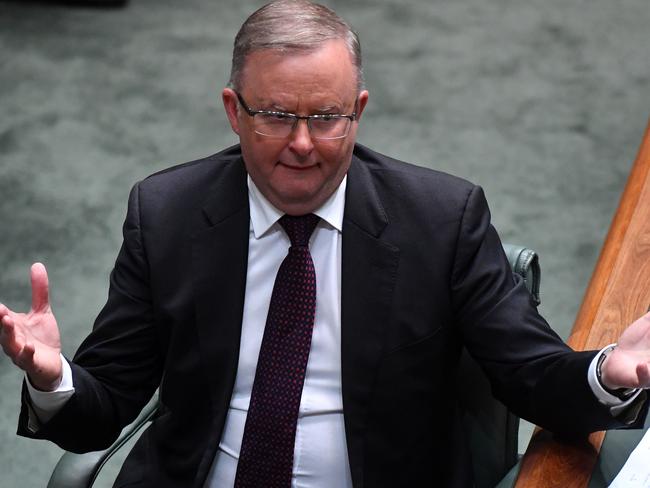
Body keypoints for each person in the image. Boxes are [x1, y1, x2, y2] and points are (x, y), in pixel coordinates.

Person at [1, 1, 650, 487]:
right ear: (235, 110)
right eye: (278, 115)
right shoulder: (167, 213)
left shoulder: (442, 220)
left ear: (358, 111)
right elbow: (105, 405)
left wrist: (606, 373)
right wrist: (55, 379)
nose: (303, 143)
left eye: (327, 117)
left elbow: (530, 374)